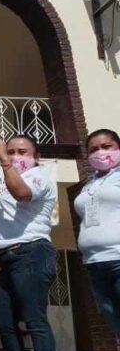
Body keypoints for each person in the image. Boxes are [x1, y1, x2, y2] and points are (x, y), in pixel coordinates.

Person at [0, 136, 58, 351]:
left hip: (31, 252)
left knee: (35, 322)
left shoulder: (39, 176)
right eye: (11, 151)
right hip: (8, 259)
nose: (16, 156)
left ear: (36, 155)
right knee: (3, 321)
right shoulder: (10, 182)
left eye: (22, 151)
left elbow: (23, 194)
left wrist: (4, 161)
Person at [74, 129, 120, 337]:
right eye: (93, 149)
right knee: (114, 323)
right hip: (94, 263)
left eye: (106, 147)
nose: (99, 152)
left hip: (118, 258)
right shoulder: (89, 184)